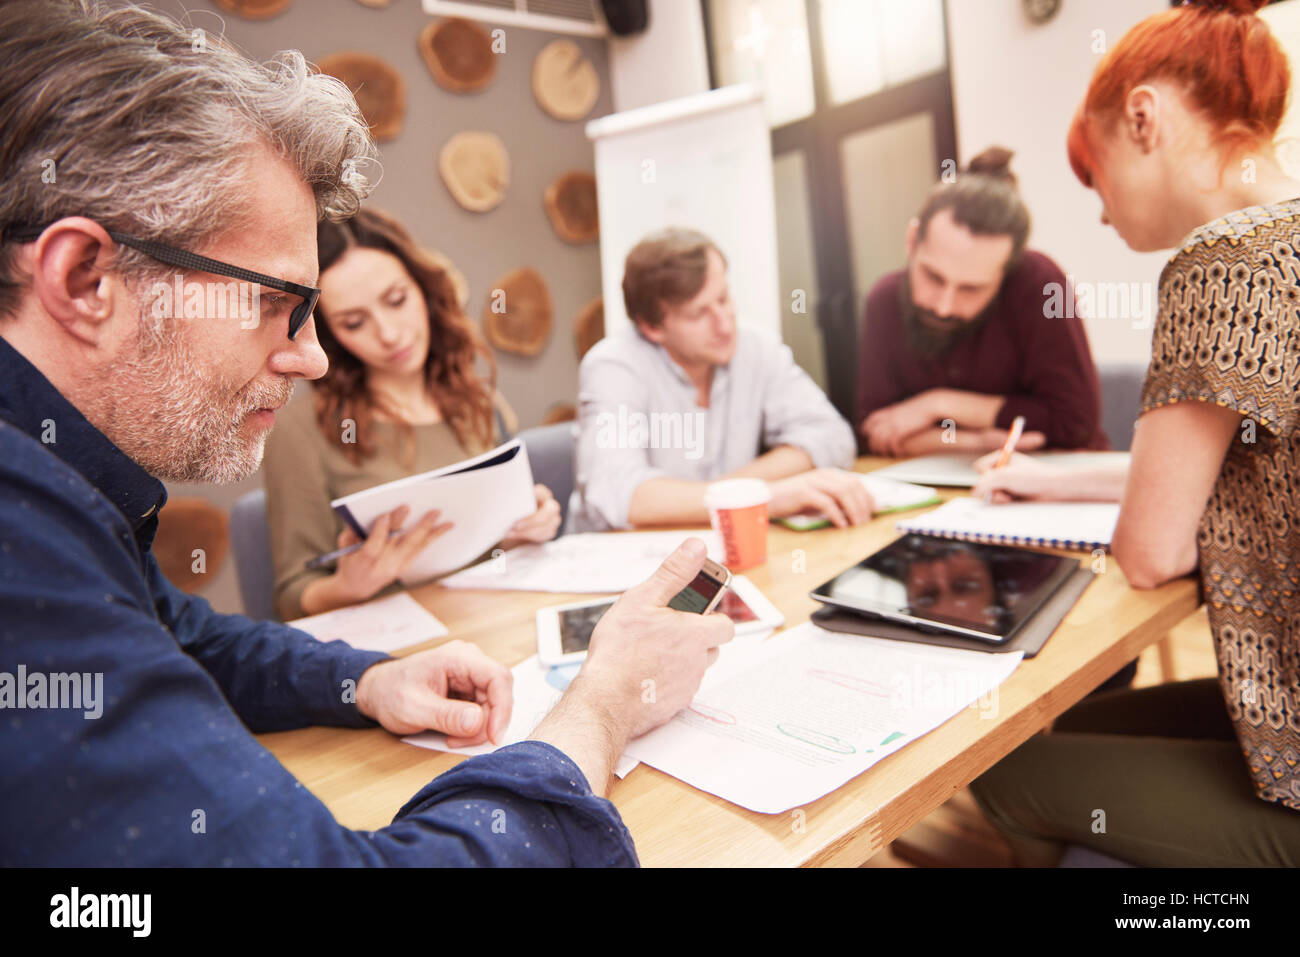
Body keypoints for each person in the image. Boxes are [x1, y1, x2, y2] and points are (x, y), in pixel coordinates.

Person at [0, 0, 730, 867]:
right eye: (280, 304)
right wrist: (603, 703)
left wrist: (365, 678)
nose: (312, 356)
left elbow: (185, 635)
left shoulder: (62, 495)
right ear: (85, 280)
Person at [966, 0, 1300, 866]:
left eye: (1098, 176)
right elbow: (1233, 474)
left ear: (1144, 118)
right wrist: (1048, 481)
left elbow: (1152, 553)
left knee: (1001, 763)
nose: (1105, 215)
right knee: (1071, 720)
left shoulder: (1221, 263)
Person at [263, 207, 560, 621]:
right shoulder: (301, 432)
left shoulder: (475, 401)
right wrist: (347, 587)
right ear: (331, 334)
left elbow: (484, 550)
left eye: (397, 300)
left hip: (493, 622)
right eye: (354, 323)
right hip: (395, 651)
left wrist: (526, 527)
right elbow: (291, 600)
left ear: (423, 289)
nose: (389, 333)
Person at [574, 227, 871, 532]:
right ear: (651, 327)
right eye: (698, 314)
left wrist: (721, 493)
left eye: (724, 298)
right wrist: (761, 495)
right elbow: (618, 497)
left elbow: (833, 437)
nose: (725, 324)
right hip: (623, 566)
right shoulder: (613, 367)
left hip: (722, 551)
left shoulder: (756, 347)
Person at [856, 147, 1109, 457]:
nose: (944, 306)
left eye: (971, 289)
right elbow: (876, 431)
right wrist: (978, 443)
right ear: (912, 241)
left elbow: (1073, 425)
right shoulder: (883, 301)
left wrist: (937, 404)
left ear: (1006, 273)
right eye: (934, 277)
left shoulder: (1040, 284)